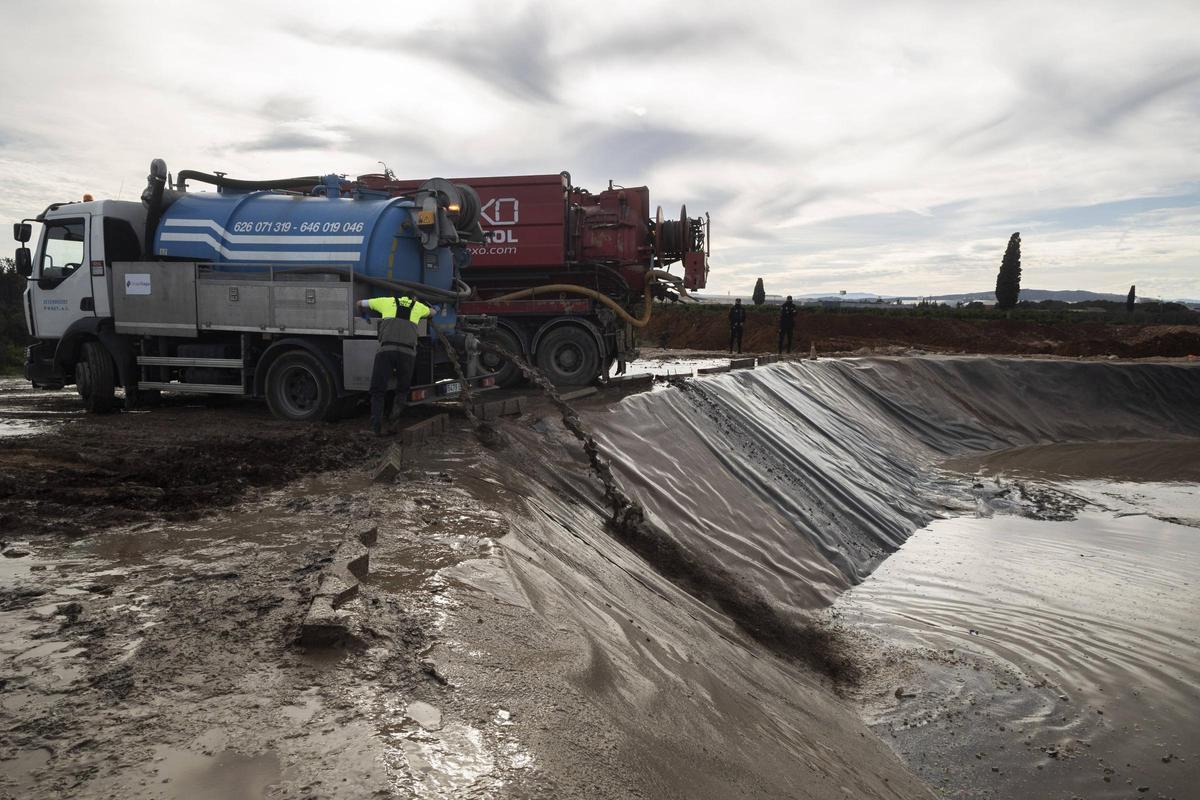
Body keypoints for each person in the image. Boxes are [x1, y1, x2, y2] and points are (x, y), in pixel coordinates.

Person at [357, 294, 432, 436]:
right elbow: (433, 312)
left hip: (386, 351)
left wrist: (364, 317)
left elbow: (359, 302)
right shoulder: (418, 307)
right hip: (407, 354)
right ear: (413, 299)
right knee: (402, 390)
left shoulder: (385, 301)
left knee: (378, 390)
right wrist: (433, 310)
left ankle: (376, 429)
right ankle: (393, 426)